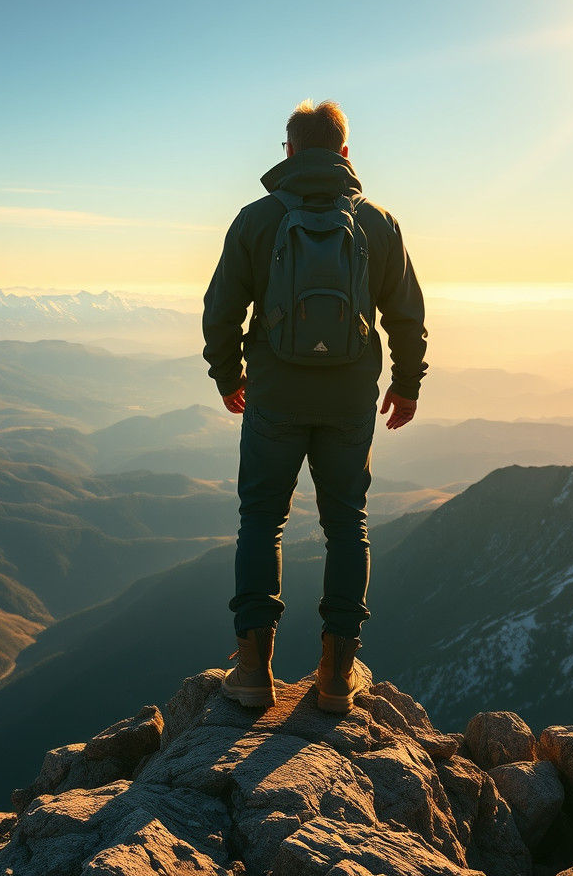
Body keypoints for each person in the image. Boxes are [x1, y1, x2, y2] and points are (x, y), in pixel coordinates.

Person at [201, 99, 427, 713]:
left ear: (291, 151)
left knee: (262, 519)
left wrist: (229, 376)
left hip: (273, 397)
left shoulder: (255, 220)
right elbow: (406, 313)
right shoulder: (379, 223)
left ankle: (252, 671)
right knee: (345, 525)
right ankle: (335, 675)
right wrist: (406, 383)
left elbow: (221, 309)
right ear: (346, 152)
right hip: (350, 401)